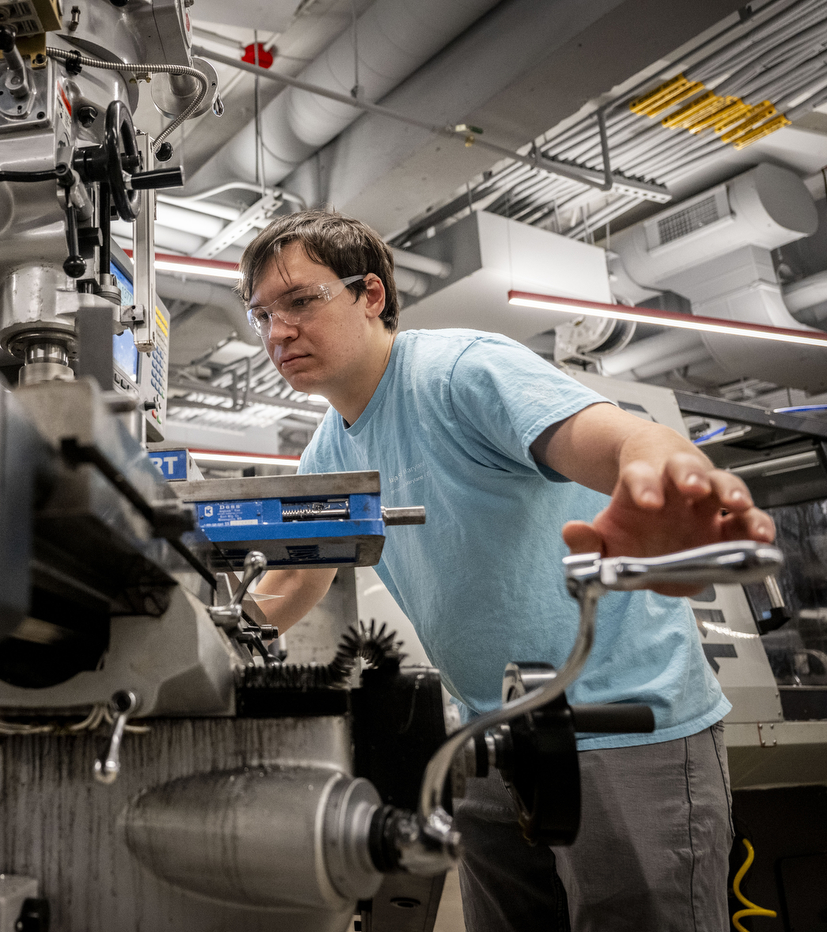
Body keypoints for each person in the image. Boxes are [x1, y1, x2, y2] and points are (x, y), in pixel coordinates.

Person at [241, 209, 777, 932]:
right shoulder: (330, 449)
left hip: (621, 728)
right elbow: (296, 575)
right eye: (262, 315)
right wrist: (214, 645)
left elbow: (620, 439)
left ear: (371, 295)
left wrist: (664, 474)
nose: (278, 333)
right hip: (493, 742)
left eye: (300, 301)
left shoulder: (460, 371)